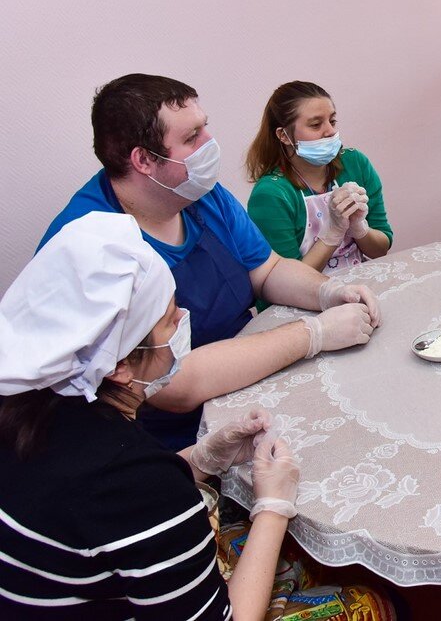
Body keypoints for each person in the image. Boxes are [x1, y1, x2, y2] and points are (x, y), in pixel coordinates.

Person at [39, 74, 381, 449]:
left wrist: (329, 293)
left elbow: (268, 270)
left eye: (205, 129)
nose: (209, 145)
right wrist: (313, 334)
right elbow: (173, 384)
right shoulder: (92, 246)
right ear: (143, 160)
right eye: (191, 138)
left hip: (249, 380)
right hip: (165, 436)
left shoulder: (200, 193)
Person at [0, 212, 299, 620]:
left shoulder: (25, 406)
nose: (182, 320)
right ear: (119, 366)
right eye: (168, 318)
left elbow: (94, 514)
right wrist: (272, 506)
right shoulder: (136, 481)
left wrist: (196, 460)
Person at [246, 80, 393, 273]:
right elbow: (287, 282)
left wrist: (359, 228)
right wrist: (332, 233)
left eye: (332, 121)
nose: (330, 131)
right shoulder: (271, 194)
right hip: (306, 298)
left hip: (359, 282)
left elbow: (381, 249)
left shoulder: (355, 163)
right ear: (283, 135)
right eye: (316, 125)